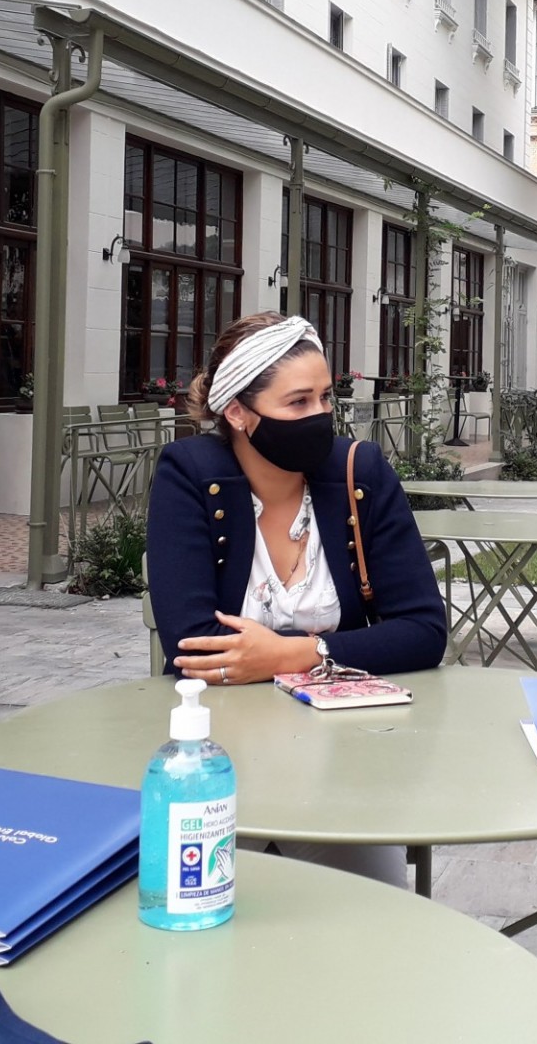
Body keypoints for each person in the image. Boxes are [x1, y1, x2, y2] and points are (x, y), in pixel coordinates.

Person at [145, 310, 448, 885]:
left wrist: (299, 653)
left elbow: (424, 632)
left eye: (326, 398)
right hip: (218, 755)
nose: (320, 417)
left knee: (374, 909)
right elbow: (195, 644)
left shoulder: (359, 473)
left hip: (346, 754)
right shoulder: (190, 474)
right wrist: (354, 646)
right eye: (298, 403)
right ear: (238, 412)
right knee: (206, 902)